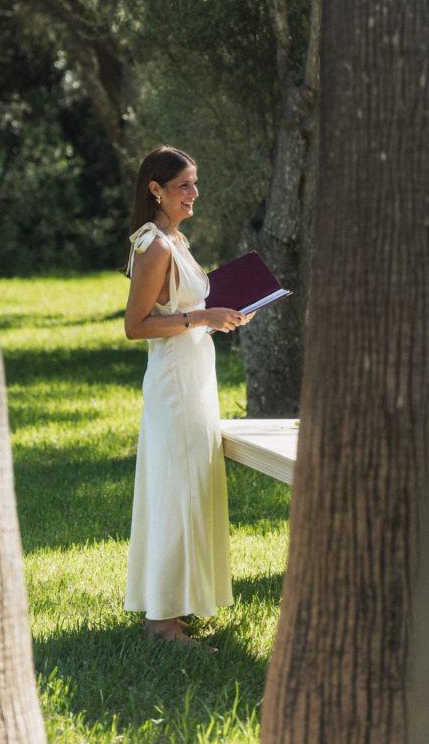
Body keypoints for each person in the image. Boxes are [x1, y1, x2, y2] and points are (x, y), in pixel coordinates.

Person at [123, 145, 253, 649]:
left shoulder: (175, 239)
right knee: (177, 491)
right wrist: (201, 317)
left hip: (195, 377)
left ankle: (175, 605)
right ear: (156, 189)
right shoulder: (153, 246)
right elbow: (136, 326)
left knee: (192, 488)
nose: (194, 194)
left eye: (196, 183)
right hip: (174, 387)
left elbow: (188, 309)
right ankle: (161, 624)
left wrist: (226, 313)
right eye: (184, 186)